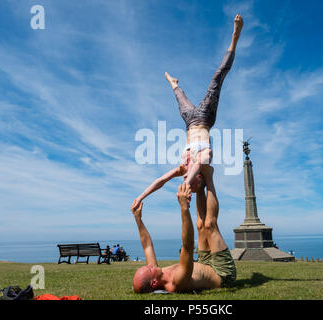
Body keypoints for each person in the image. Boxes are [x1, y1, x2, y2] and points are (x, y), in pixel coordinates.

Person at [132, 14, 243, 209]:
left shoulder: (183, 166)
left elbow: (160, 180)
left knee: (179, 98)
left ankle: (174, 85)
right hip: (206, 117)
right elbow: (197, 166)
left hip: (189, 121)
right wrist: (185, 186)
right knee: (217, 78)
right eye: (189, 182)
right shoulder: (205, 159)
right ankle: (235, 37)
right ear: (197, 178)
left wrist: (141, 197)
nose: (184, 177)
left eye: (184, 180)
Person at [131, 166, 236, 293]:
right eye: (149, 269)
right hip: (222, 273)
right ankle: (208, 176)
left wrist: (138, 219)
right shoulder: (176, 282)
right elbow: (188, 246)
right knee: (209, 224)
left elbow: (147, 245)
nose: (150, 265)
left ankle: (200, 186)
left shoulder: (155, 273)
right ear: (154, 282)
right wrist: (184, 207)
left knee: (200, 225)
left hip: (204, 262)